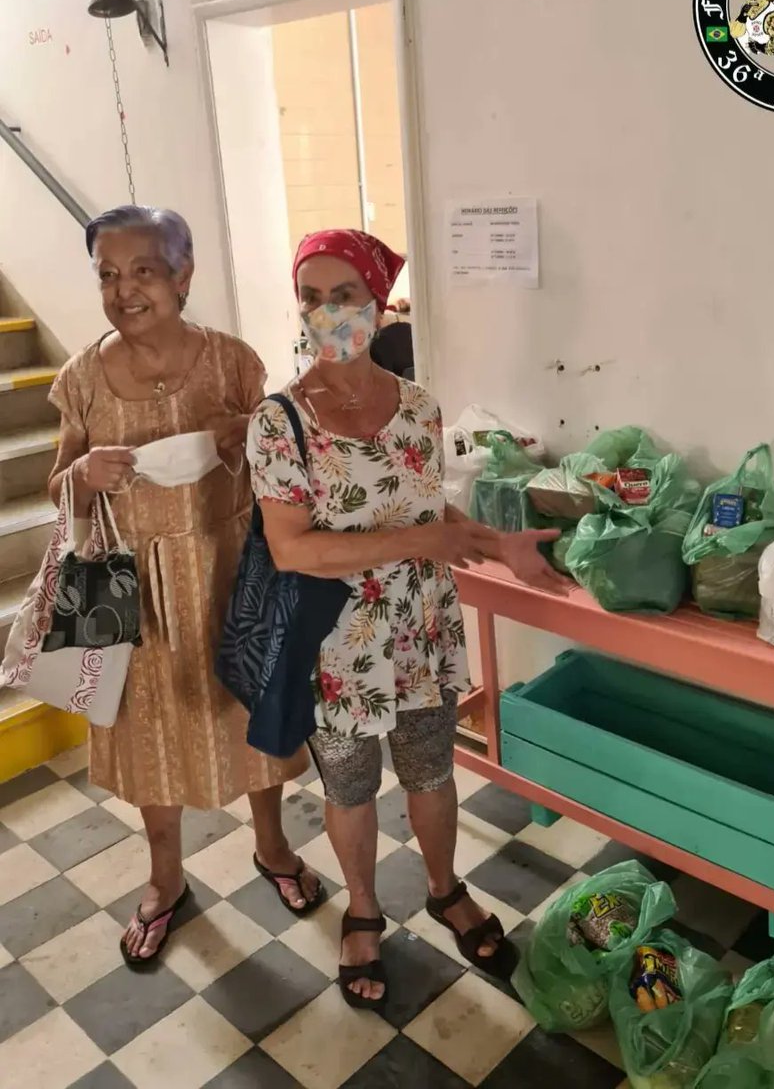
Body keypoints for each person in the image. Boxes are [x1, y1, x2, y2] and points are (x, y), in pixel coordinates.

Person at [247, 228, 564, 1009]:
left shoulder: (418, 407)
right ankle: (362, 908)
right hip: (337, 644)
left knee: (431, 770)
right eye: (311, 298)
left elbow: (426, 507)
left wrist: (495, 544)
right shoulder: (280, 422)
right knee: (350, 786)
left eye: (345, 296)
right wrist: (424, 541)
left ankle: (445, 888)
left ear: (378, 303)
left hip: (421, 629)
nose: (328, 313)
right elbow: (292, 549)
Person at [47, 205, 323, 969]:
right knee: (148, 739)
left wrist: (251, 435)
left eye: (143, 271)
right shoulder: (80, 379)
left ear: (182, 275)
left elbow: (285, 461)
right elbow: (58, 490)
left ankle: (273, 846)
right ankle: (164, 879)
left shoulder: (233, 362)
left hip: (232, 573)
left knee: (250, 712)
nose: (124, 290)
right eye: (108, 274)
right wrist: (81, 473)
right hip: (130, 587)